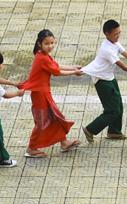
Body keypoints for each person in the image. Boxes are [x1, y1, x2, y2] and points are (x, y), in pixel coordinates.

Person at [81, 19, 127, 143]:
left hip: (109, 77)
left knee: (118, 105)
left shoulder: (114, 43)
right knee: (112, 110)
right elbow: (124, 67)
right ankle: (90, 129)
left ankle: (114, 131)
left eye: (119, 33)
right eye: (116, 34)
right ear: (107, 34)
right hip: (102, 81)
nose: (118, 36)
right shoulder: (107, 49)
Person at [16, 30, 83, 158]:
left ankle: (64, 142)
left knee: (54, 117)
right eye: (47, 43)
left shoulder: (43, 55)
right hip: (40, 94)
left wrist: (73, 67)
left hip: (43, 93)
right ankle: (31, 148)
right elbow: (57, 72)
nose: (50, 46)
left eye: (52, 43)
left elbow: (55, 66)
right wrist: (74, 72)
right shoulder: (42, 58)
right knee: (42, 122)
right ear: (39, 44)